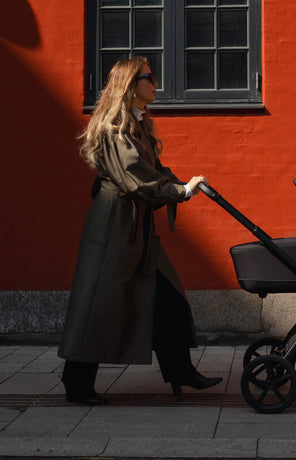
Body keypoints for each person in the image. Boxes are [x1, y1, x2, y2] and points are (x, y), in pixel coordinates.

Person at [58, 56, 222, 405]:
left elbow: (153, 173)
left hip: (134, 225)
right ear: (130, 86)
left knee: (168, 296)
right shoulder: (115, 130)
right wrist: (181, 191)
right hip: (114, 227)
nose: (156, 83)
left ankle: (180, 370)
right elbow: (136, 178)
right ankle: (76, 383)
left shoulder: (138, 125)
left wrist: (178, 184)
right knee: (99, 304)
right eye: (149, 78)